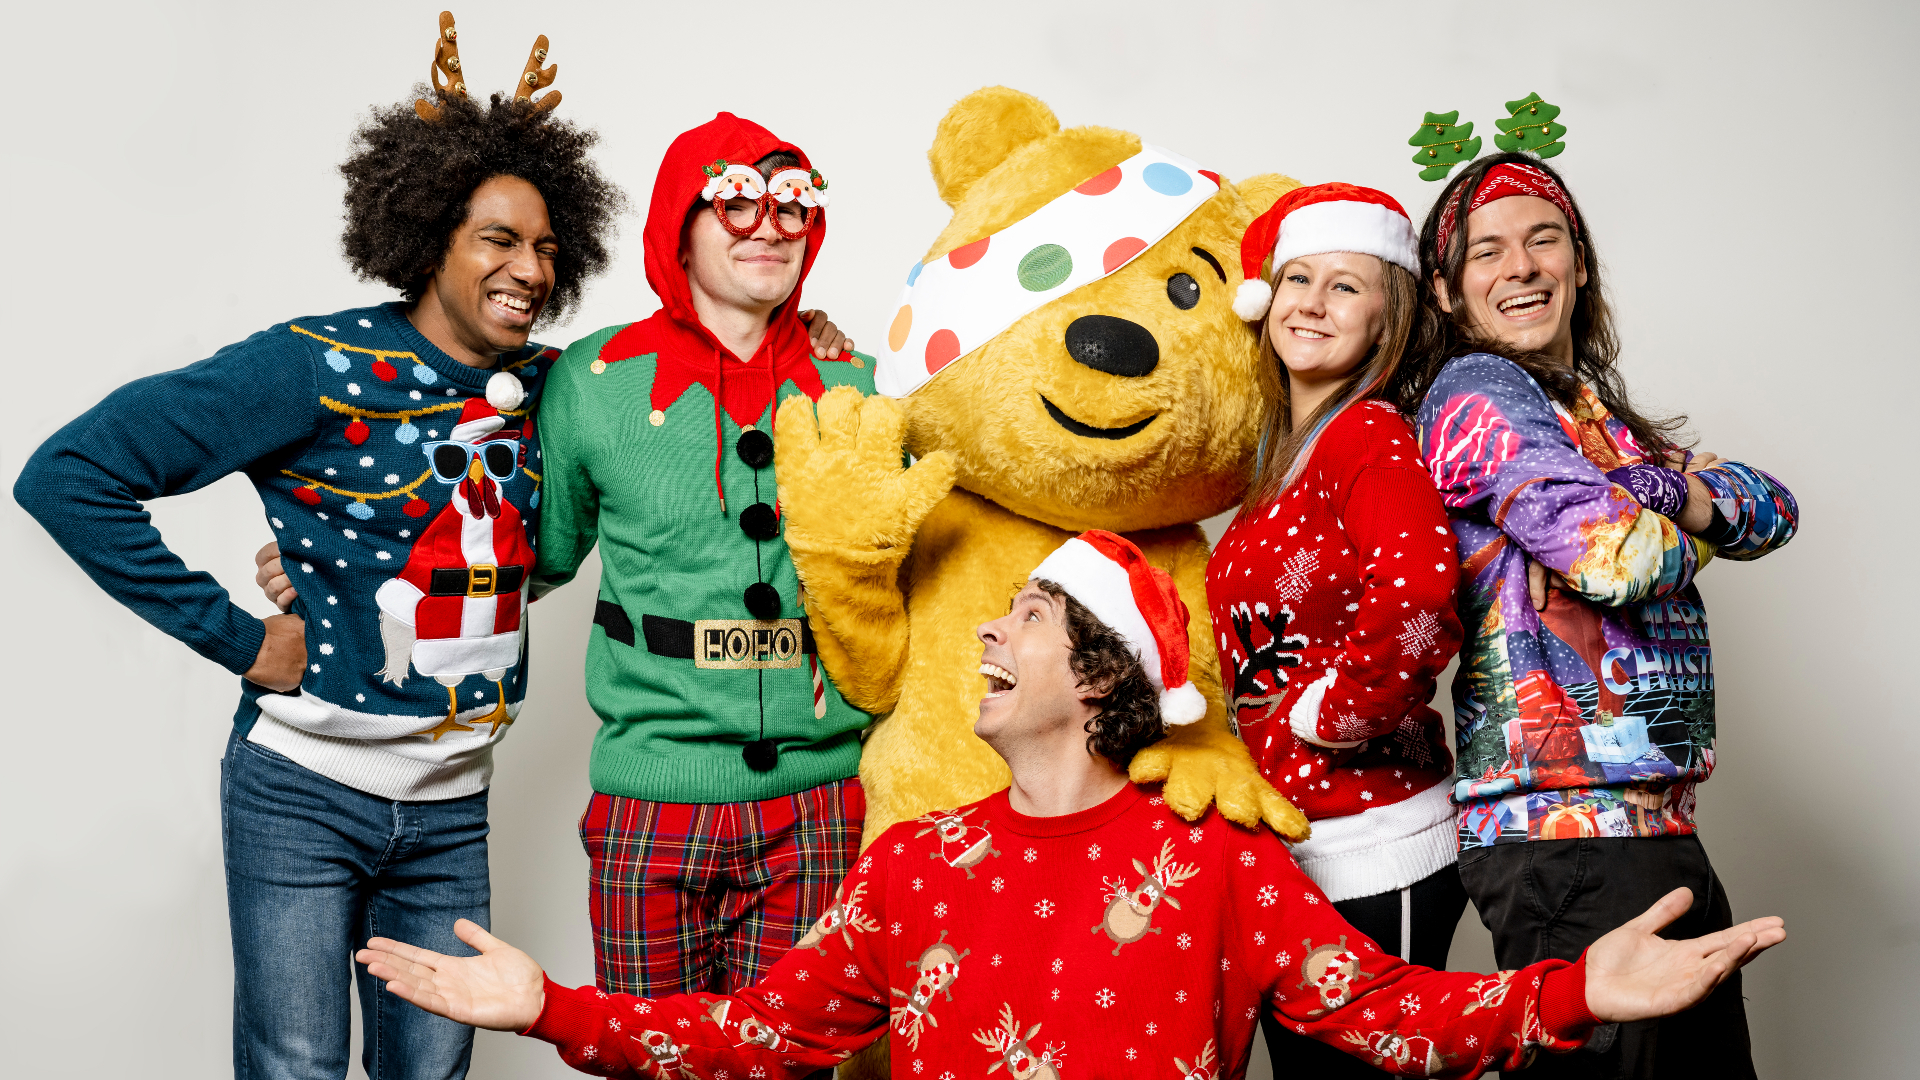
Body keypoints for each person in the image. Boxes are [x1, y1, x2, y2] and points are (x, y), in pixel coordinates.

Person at [355, 529, 1785, 1080]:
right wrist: (552, 1006)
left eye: (1028, 616)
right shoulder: (915, 863)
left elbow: (1393, 1015)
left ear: (1101, 673)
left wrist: (1576, 991)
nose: (988, 633)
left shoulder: (1218, 864)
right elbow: (753, 1035)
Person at [11, 14, 623, 1080]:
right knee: (295, 1067)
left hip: (449, 811)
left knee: (429, 1073)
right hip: (301, 796)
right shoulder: (313, 364)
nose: (530, 267)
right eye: (498, 238)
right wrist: (240, 638)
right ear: (429, 233)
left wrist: (812, 336)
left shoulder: (556, 390)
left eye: (546, 247)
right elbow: (70, 474)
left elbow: (666, 408)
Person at [1401, 151, 1799, 1078]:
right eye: (1488, 251)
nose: (1523, 265)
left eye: (1545, 239)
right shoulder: (1476, 395)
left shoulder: (1589, 410)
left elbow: (1774, 506)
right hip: (1565, 833)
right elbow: (1615, 558)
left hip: (1652, 824)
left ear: (1579, 265)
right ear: (1451, 293)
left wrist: (1654, 489)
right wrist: (1687, 502)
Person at [529, 113, 873, 1000]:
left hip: (823, 800)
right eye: (734, 200)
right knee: (649, 1059)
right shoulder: (589, 382)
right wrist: (345, 565)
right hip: (651, 795)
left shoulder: (862, 384)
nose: (768, 225)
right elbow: (535, 555)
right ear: (677, 223)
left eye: (792, 204)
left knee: (790, 1064)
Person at [1211, 182, 1468, 1077]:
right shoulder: (1283, 456)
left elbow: (1422, 591)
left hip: (1376, 841)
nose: (1313, 303)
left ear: (1386, 319)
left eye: (1346, 287)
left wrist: (1336, 716)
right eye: (1299, 280)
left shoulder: (1368, 434)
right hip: (1299, 843)